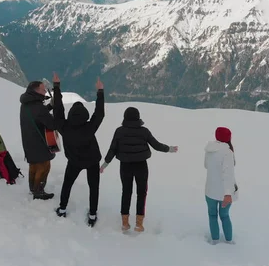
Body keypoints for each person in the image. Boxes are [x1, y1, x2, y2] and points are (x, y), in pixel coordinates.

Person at [100, 107, 178, 232]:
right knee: (142, 193)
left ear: (125, 117)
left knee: (126, 192)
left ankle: (125, 223)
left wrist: (104, 164)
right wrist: (169, 149)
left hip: (125, 166)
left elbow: (112, 150)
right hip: (141, 165)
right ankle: (139, 224)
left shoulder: (119, 131)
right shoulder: (144, 131)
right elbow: (156, 145)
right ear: (138, 117)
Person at [53, 76, 105, 227]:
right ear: (85, 116)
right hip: (92, 161)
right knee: (94, 187)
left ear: (70, 115)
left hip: (74, 162)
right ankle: (93, 214)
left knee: (67, 184)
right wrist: (100, 91)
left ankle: (62, 209)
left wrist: (56, 86)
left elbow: (58, 109)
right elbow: (100, 113)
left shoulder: (64, 127)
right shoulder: (90, 127)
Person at [19, 75, 61, 200]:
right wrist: (56, 110)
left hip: (28, 141)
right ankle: (39, 191)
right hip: (40, 143)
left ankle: (32, 188)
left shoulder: (26, 104)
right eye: (43, 90)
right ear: (36, 91)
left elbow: (37, 115)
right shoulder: (39, 108)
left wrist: (49, 107)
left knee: (33, 165)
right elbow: (52, 124)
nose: (45, 92)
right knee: (44, 166)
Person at [204, 127, 237, 245]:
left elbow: (206, 165)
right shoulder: (228, 152)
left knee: (212, 215)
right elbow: (228, 174)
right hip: (224, 193)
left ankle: (215, 240)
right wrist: (228, 194)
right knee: (225, 215)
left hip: (210, 190)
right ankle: (229, 241)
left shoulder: (209, 149)